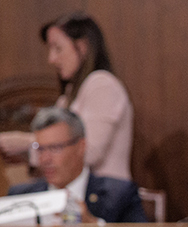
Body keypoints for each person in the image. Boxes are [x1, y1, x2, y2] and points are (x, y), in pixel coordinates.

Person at [0, 12, 133, 181]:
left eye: (58, 48)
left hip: (104, 196)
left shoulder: (102, 85)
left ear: (82, 47)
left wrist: (28, 144)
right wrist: (25, 154)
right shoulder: (70, 94)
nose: (52, 59)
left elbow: (89, 152)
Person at [6, 107, 145, 224]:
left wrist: (93, 225)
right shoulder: (20, 196)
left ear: (81, 146)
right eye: (40, 149)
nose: (45, 159)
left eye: (55, 148)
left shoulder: (119, 194)